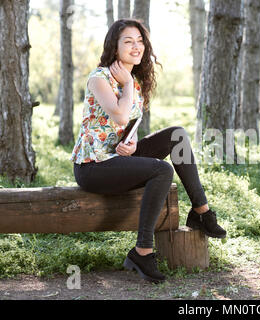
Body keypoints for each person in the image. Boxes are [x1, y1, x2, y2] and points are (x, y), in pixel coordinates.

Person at [70, 19, 226, 283]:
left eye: (140, 41)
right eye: (128, 41)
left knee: (177, 134)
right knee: (161, 170)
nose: (136, 46)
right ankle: (142, 251)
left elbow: (125, 128)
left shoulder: (136, 81)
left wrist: (130, 144)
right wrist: (128, 84)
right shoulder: (100, 78)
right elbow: (119, 116)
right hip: (93, 166)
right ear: (114, 46)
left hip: (116, 156)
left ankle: (201, 212)